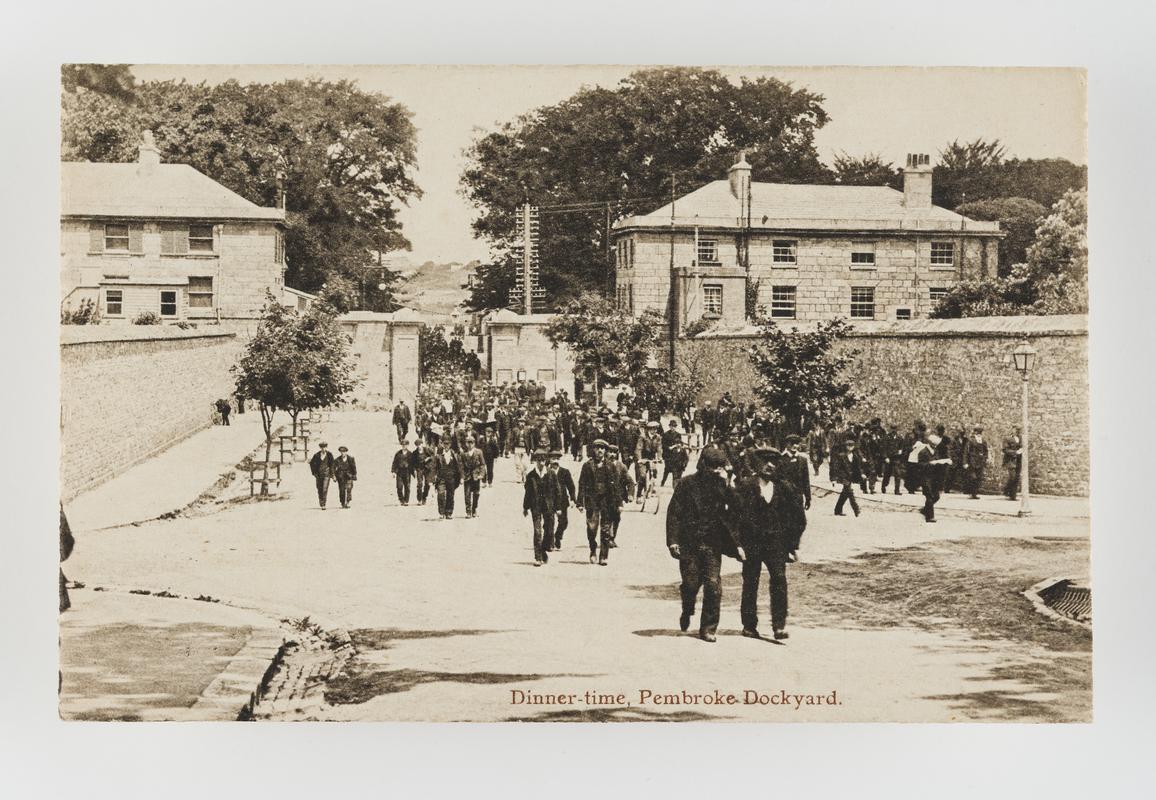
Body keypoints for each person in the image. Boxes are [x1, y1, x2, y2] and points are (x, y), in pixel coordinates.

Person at [666, 447, 745, 643]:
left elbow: (738, 506)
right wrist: (673, 541)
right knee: (691, 584)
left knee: (713, 585)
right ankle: (688, 608)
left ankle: (708, 628)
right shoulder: (686, 484)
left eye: (719, 467)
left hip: (712, 543)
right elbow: (674, 513)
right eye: (712, 467)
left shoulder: (721, 485)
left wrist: (728, 483)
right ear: (703, 465)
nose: (715, 471)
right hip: (689, 544)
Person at [736, 452, 807, 640]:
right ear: (757, 464)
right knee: (751, 582)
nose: (770, 465)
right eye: (765, 462)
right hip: (752, 543)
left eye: (774, 462)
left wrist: (793, 545)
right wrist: (738, 544)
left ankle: (779, 626)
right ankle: (749, 625)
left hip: (776, 544)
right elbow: (734, 516)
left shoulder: (785, 488)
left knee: (779, 580)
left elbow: (798, 518)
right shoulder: (745, 486)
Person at [577, 438, 616, 565]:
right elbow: (581, 484)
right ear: (593, 450)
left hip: (606, 501)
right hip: (592, 500)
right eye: (597, 448)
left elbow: (616, 486)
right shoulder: (587, 465)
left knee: (605, 530)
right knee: (592, 528)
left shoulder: (610, 465)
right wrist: (580, 502)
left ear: (605, 451)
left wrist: (618, 502)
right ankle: (593, 550)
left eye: (602, 448)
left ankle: (603, 556)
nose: (600, 450)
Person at [523, 449, 556, 565]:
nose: (541, 463)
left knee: (549, 530)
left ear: (546, 460)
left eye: (543, 460)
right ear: (535, 461)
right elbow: (527, 492)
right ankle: (538, 557)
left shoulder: (551, 474)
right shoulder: (531, 475)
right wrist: (525, 507)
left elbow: (557, 492)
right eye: (539, 460)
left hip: (549, 507)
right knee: (537, 531)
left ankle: (543, 550)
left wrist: (559, 508)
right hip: (535, 506)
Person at [606, 445, 635, 552]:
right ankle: (607, 538)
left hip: (618, 497)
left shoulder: (621, 466)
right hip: (606, 496)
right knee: (607, 517)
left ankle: (612, 538)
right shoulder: (603, 465)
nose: (612, 454)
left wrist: (630, 494)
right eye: (610, 452)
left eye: (615, 452)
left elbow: (630, 481)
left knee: (616, 518)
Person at [922, 425, 952, 523]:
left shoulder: (935, 452)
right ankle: (930, 517)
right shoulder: (923, 452)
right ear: (930, 444)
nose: (935, 447)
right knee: (929, 496)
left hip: (934, 477)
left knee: (936, 496)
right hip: (926, 477)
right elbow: (919, 465)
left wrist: (944, 461)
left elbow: (938, 460)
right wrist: (929, 464)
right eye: (934, 445)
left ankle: (925, 509)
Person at [550, 450, 577, 550]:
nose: (555, 461)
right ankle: (550, 540)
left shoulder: (565, 472)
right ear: (549, 460)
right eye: (553, 459)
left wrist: (573, 499)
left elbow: (571, 486)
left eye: (557, 459)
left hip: (562, 501)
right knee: (549, 522)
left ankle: (557, 536)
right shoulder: (546, 472)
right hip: (550, 501)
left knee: (564, 522)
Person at [829, 437, 863, 517]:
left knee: (845, 493)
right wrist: (833, 479)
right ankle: (856, 509)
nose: (850, 447)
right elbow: (834, 467)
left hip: (851, 476)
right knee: (849, 491)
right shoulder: (841, 456)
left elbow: (858, 467)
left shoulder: (855, 456)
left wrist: (861, 474)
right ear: (845, 446)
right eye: (848, 446)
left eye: (851, 446)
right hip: (843, 476)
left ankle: (837, 510)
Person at [779, 434, 812, 510]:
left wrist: (808, 498)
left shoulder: (803, 460)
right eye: (792, 443)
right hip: (784, 497)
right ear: (787, 444)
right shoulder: (780, 459)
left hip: (798, 497)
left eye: (797, 443)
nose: (795, 446)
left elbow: (806, 480)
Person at [433, 442, 462, 519]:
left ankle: (449, 513)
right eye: (444, 444)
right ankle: (441, 512)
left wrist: (461, 477)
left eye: (448, 444)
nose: (446, 446)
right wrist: (433, 478)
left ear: (450, 445)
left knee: (450, 495)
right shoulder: (439, 456)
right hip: (441, 478)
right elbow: (434, 467)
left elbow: (459, 467)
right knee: (441, 494)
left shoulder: (454, 455)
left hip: (451, 478)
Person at [460, 435, 486, 518]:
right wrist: (462, 477)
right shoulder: (463, 454)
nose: (470, 444)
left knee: (476, 494)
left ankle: (474, 509)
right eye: (468, 443)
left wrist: (481, 475)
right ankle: (468, 511)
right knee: (467, 494)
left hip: (476, 476)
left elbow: (482, 464)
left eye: (472, 442)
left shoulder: (479, 452)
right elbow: (461, 466)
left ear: (474, 443)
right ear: (466, 444)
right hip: (467, 476)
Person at [961, 425, 989, 499]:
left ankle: (975, 493)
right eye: (977, 432)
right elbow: (966, 452)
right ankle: (971, 492)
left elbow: (986, 451)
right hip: (972, 461)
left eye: (980, 432)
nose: (979, 434)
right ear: (975, 432)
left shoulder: (983, 441)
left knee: (979, 478)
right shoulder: (970, 441)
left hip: (980, 462)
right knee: (973, 477)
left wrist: (985, 458)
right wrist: (965, 462)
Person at [309, 441, 336, 510]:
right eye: (322, 447)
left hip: (326, 475)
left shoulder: (329, 455)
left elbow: (332, 465)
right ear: (320, 448)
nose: (323, 449)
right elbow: (312, 464)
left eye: (324, 447)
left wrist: (333, 475)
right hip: (318, 475)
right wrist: (314, 473)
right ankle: (321, 502)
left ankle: (324, 504)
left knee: (324, 489)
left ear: (326, 447)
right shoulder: (316, 455)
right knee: (319, 489)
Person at [880, 423, 905, 496]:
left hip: (896, 458)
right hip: (889, 458)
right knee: (887, 474)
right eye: (893, 429)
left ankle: (897, 490)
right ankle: (883, 486)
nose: (894, 431)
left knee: (898, 474)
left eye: (895, 429)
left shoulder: (899, 438)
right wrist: (885, 457)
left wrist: (900, 451)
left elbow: (901, 447)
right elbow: (883, 448)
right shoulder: (886, 437)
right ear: (891, 429)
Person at [1002, 426, 1023, 500]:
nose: (1016, 431)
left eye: (1018, 430)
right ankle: (1009, 492)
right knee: (1012, 477)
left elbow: (1023, 446)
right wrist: (1015, 452)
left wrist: (1022, 449)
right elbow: (1005, 449)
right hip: (1010, 460)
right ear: (1012, 430)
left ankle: (1012, 494)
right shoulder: (1007, 438)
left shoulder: (1021, 438)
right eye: (1015, 429)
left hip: (1018, 461)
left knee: (1016, 478)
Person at [660, 420, 683, 486]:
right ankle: (663, 482)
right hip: (668, 454)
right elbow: (663, 444)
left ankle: (674, 484)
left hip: (675, 455)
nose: (673, 428)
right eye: (672, 426)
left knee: (675, 469)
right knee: (667, 469)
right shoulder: (665, 434)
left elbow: (680, 443)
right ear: (669, 426)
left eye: (674, 426)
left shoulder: (678, 434)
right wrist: (668, 447)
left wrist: (678, 445)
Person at [391, 439, 414, 506]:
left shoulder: (410, 454)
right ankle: (401, 500)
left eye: (405, 445)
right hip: (399, 472)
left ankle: (406, 500)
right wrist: (393, 471)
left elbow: (413, 464)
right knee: (399, 486)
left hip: (407, 472)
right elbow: (394, 462)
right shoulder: (398, 453)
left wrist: (413, 472)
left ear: (407, 445)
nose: (404, 446)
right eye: (403, 445)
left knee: (407, 486)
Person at [414, 437, 436, 506]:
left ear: (422, 444)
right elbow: (413, 462)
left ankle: (424, 497)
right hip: (419, 469)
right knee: (419, 484)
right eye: (417, 445)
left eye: (420, 445)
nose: (419, 446)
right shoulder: (415, 453)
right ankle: (419, 499)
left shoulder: (427, 450)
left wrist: (428, 458)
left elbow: (433, 455)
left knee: (427, 484)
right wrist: (414, 470)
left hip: (427, 469)